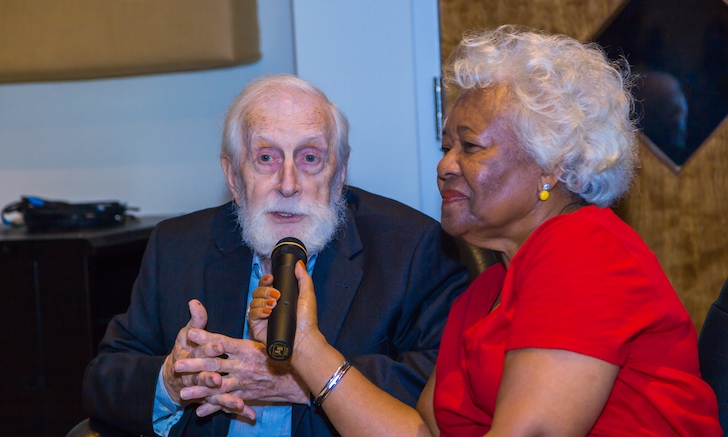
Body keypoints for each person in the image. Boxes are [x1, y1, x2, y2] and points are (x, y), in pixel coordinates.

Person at [237, 26, 722, 436]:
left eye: (470, 146)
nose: (445, 165)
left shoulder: (584, 248)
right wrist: (307, 349)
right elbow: (420, 430)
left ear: (551, 164)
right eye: (446, 145)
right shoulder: (487, 289)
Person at [81, 74, 469, 436]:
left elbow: (442, 381)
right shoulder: (178, 246)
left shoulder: (411, 247)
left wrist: (300, 380)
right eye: (266, 158)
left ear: (339, 174)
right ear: (234, 177)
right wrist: (173, 377)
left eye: (310, 158)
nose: (288, 184)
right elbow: (104, 377)